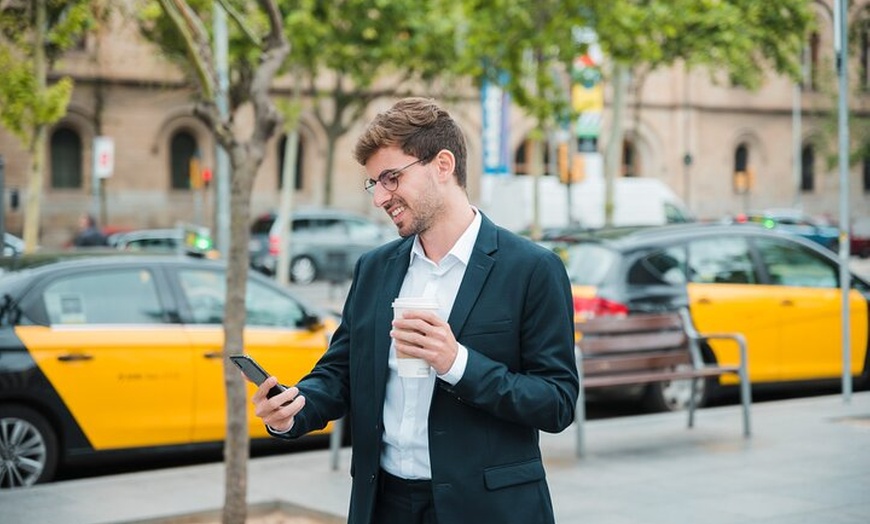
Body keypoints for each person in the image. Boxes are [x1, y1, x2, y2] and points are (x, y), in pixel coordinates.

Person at [251, 97, 579, 524]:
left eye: (391, 178)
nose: (380, 198)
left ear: (443, 165)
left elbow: (556, 403)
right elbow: (339, 373)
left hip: (487, 509)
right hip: (384, 504)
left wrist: (456, 362)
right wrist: (292, 411)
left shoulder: (532, 269)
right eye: (374, 184)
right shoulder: (374, 269)